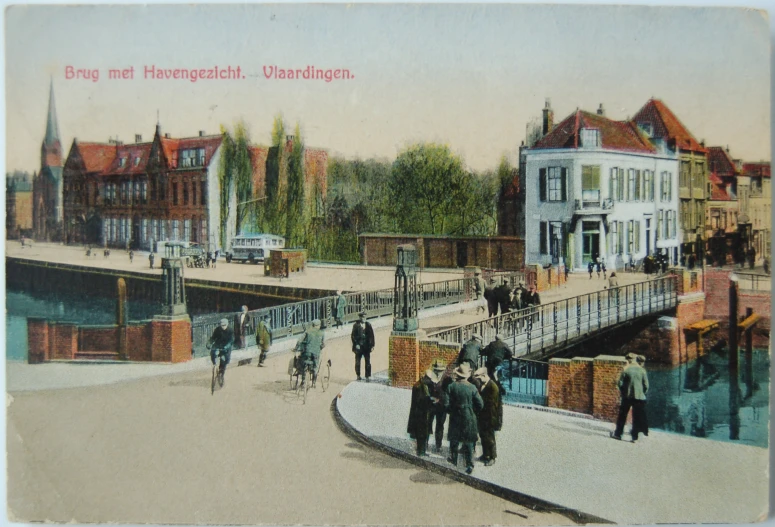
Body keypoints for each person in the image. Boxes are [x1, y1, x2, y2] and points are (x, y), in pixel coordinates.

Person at [444, 363, 484, 475]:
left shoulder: (451, 387)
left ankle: (453, 459)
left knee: (454, 440)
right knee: (469, 442)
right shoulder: (472, 387)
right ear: (467, 375)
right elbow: (480, 404)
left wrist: (452, 411)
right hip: (469, 417)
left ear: (458, 375)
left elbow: (446, 405)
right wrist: (471, 411)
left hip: (455, 416)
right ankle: (470, 465)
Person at [611, 353, 649, 442]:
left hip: (627, 397)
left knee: (622, 416)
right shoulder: (642, 370)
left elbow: (619, 383)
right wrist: (641, 393)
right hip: (639, 397)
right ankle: (634, 437)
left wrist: (624, 392)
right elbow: (646, 385)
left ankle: (618, 434)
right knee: (636, 417)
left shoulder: (626, 370)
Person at [473, 368, 502, 466]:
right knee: (483, 436)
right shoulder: (484, 385)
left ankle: (493, 457)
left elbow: (491, 404)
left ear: (485, 376)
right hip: (483, 416)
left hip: (490, 417)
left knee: (490, 437)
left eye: (480, 378)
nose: (479, 381)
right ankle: (485, 455)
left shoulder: (493, 387)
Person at [407, 368, 439, 457]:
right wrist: (430, 399)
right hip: (419, 414)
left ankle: (423, 450)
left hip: (425, 413)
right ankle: (420, 451)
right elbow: (419, 400)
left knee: (425, 432)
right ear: (426, 378)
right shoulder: (418, 386)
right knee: (420, 433)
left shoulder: (427, 385)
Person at [296, 319, 325, 385]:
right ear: (319, 325)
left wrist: (296, 348)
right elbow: (323, 344)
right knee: (316, 367)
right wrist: (320, 347)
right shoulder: (322, 333)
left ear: (312, 325)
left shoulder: (307, 331)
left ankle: (303, 381)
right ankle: (313, 383)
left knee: (304, 364)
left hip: (307, 352)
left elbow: (299, 340)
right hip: (316, 353)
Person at [207, 318, 234, 387]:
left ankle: (221, 374)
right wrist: (209, 343)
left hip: (226, 347)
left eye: (224, 325)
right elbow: (213, 338)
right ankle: (214, 363)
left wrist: (226, 346)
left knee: (224, 360)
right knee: (213, 352)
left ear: (227, 324)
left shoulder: (230, 330)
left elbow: (231, 340)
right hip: (218, 345)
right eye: (222, 325)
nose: (223, 327)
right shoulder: (217, 330)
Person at [351, 311, 375, 380]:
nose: (364, 318)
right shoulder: (356, 325)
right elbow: (353, 336)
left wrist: (372, 345)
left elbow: (372, 336)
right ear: (360, 317)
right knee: (358, 361)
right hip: (359, 346)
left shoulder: (368, 325)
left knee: (367, 361)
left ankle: (367, 375)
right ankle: (358, 375)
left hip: (366, 346)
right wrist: (356, 344)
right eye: (362, 317)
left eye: (365, 317)